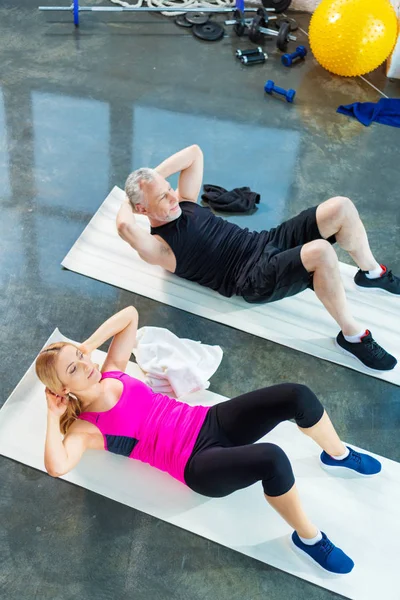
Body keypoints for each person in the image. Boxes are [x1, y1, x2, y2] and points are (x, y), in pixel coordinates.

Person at [36, 306, 382, 575]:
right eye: (73, 369)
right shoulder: (87, 427)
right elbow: (57, 466)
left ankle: (337, 455)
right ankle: (310, 539)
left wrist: (84, 347)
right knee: (272, 459)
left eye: (81, 359)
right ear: (62, 389)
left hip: (208, 421)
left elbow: (130, 316)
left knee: (296, 395)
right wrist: (53, 415)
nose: (85, 365)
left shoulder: (112, 369)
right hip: (196, 465)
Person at [116, 145, 400, 372]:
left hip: (264, 241)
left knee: (341, 207)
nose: (172, 197)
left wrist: (151, 178)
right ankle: (352, 337)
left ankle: (372, 273)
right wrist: (130, 200)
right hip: (251, 278)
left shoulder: (184, 200)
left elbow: (194, 153)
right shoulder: (159, 246)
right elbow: (124, 227)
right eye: (162, 198)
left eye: (168, 190)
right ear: (142, 210)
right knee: (321, 252)